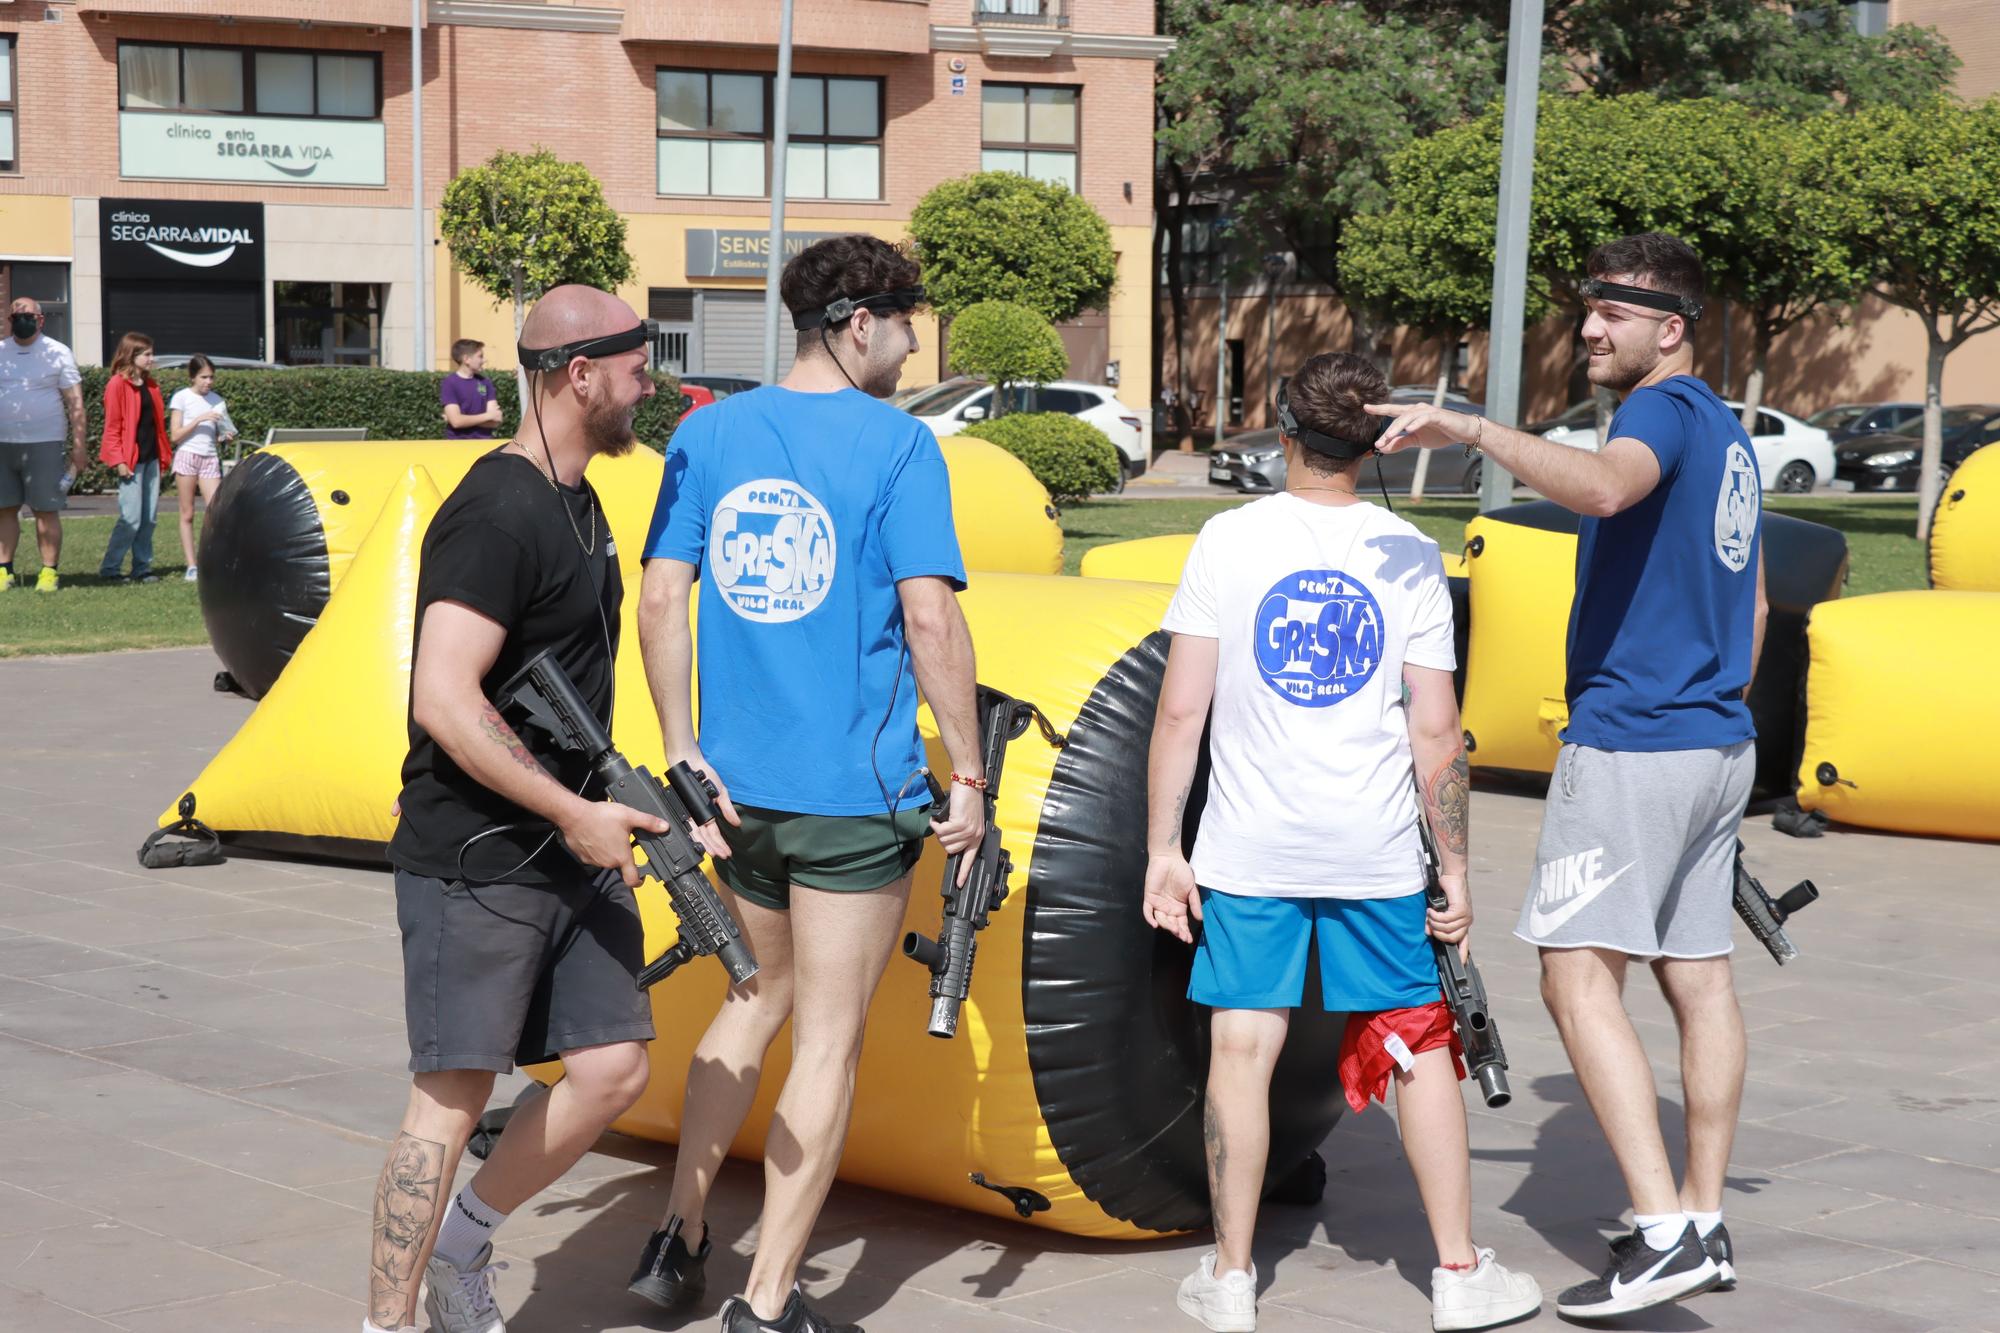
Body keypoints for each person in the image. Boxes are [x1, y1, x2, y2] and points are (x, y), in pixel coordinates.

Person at [1365, 232, 1768, 1320]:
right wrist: (1713, 705)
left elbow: (1597, 491)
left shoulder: (1656, 415)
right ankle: (1697, 1213)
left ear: (1668, 327)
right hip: (1714, 737)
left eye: (1610, 314)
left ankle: (1664, 1226)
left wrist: (1467, 424)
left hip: (1637, 739)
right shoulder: (1728, 434)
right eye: (1585, 310)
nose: (1587, 329)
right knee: (1698, 977)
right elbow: (1758, 602)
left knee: (1571, 971)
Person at [1143, 351, 1543, 1333]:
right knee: (1415, 1045)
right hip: (1370, 851)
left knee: (1241, 1044)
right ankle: (1456, 1274)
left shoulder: (1225, 541)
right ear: (1373, 446)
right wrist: (1452, 868)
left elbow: (1178, 711)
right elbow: (1434, 731)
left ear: (1283, 434)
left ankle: (1230, 1281)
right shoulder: (1407, 552)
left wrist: (1163, 847)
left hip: (1248, 848)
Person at [629, 233, 984, 1333]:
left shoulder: (705, 431)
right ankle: (766, 1300)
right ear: (858, 324)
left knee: (751, 999)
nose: (913, 342)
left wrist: (684, 745)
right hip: (851, 794)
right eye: (906, 321)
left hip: (733, 792)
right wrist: (966, 767)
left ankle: (676, 1239)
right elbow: (929, 617)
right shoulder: (898, 447)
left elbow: (658, 600)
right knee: (825, 1037)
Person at [365, 285, 669, 1333]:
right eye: (636, 361)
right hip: (478, 854)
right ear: (578, 375)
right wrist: (566, 809)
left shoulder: (580, 501)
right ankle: (387, 1323)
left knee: (612, 1066)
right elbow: (444, 695)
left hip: (570, 839)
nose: (650, 379)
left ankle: (458, 1250)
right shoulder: (496, 508)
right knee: (448, 1097)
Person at [0, 296, 87, 593]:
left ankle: (48, 572)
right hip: (3, 443)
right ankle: (4, 570)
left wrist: (79, 446)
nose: (21, 320)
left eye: (27, 314)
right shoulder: (1, 352)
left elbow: (75, 402)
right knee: (4, 508)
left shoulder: (58, 353)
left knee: (45, 510)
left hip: (45, 442)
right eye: (15, 316)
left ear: (40, 319)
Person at [99, 332, 172, 583]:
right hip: (130, 461)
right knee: (131, 517)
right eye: (147, 354)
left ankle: (142, 568)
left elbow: (157, 426)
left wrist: (163, 457)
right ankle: (111, 568)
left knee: (149, 518)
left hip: (151, 458)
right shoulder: (117, 384)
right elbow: (112, 427)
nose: (152, 359)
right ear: (132, 355)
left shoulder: (151, 385)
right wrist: (119, 460)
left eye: (152, 353)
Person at [167, 354, 236, 581]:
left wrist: (225, 436)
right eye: (204, 377)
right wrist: (199, 419)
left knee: (215, 512)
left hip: (209, 458)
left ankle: (213, 560)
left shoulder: (216, 400)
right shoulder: (182, 398)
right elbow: (175, 435)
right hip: (188, 456)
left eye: (211, 377)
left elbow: (224, 432)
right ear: (193, 377)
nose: (208, 382)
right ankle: (191, 565)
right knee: (187, 513)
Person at [441, 339, 504, 440]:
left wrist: (462, 419)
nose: (484, 360)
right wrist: (488, 416)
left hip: (484, 444)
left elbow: (496, 420)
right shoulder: (450, 383)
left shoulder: (485, 382)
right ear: (466, 359)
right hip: (458, 446)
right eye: (480, 356)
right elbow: (456, 422)